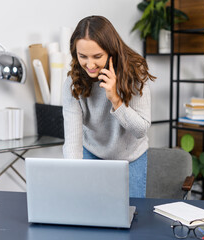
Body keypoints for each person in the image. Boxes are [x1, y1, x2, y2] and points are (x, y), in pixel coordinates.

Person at [62, 15, 155, 198]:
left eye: (97, 56)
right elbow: (72, 142)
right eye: (83, 56)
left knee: (132, 216)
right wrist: (73, 178)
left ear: (111, 51)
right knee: (90, 212)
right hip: (93, 153)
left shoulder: (135, 74)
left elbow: (141, 130)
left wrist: (115, 99)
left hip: (131, 158)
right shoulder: (73, 83)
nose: (90, 65)